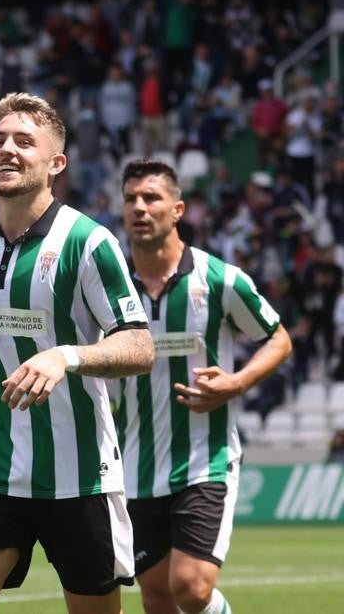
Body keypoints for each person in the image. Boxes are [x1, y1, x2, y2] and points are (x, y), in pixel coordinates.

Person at [0, 92, 155, 614]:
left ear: (56, 163)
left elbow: (139, 344)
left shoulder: (89, 241)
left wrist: (67, 356)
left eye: (24, 141)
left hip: (79, 474)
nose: (7, 150)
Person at [114, 159, 293, 614]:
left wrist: (235, 383)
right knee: (156, 595)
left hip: (203, 460)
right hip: (133, 467)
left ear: (177, 210)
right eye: (131, 198)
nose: (140, 207)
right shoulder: (109, 285)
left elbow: (278, 338)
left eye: (151, 198)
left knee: (191, 588)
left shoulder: (220, 279)